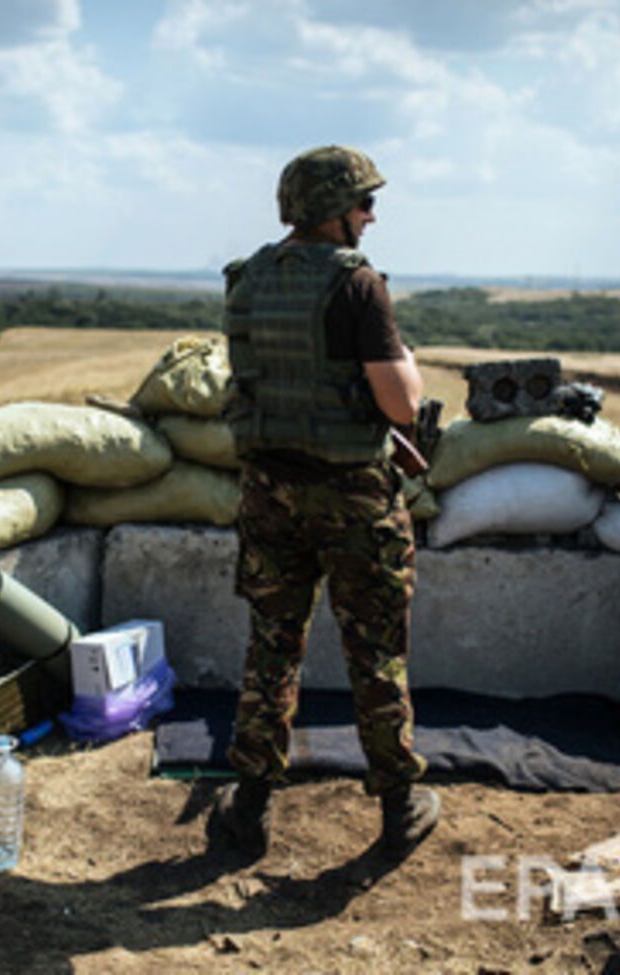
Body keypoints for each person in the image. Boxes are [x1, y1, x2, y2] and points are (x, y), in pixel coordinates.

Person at [210, 144, 439, 862]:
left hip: (269, 494)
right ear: (328, 210)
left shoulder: (247, 282)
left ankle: (249, 806)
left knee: (271, 649)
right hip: (351, 497)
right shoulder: (357, 285)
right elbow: (401, 403)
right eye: (362, 204)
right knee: (375, 654)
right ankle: (400, 802)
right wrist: (413, 375)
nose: (370, 218)